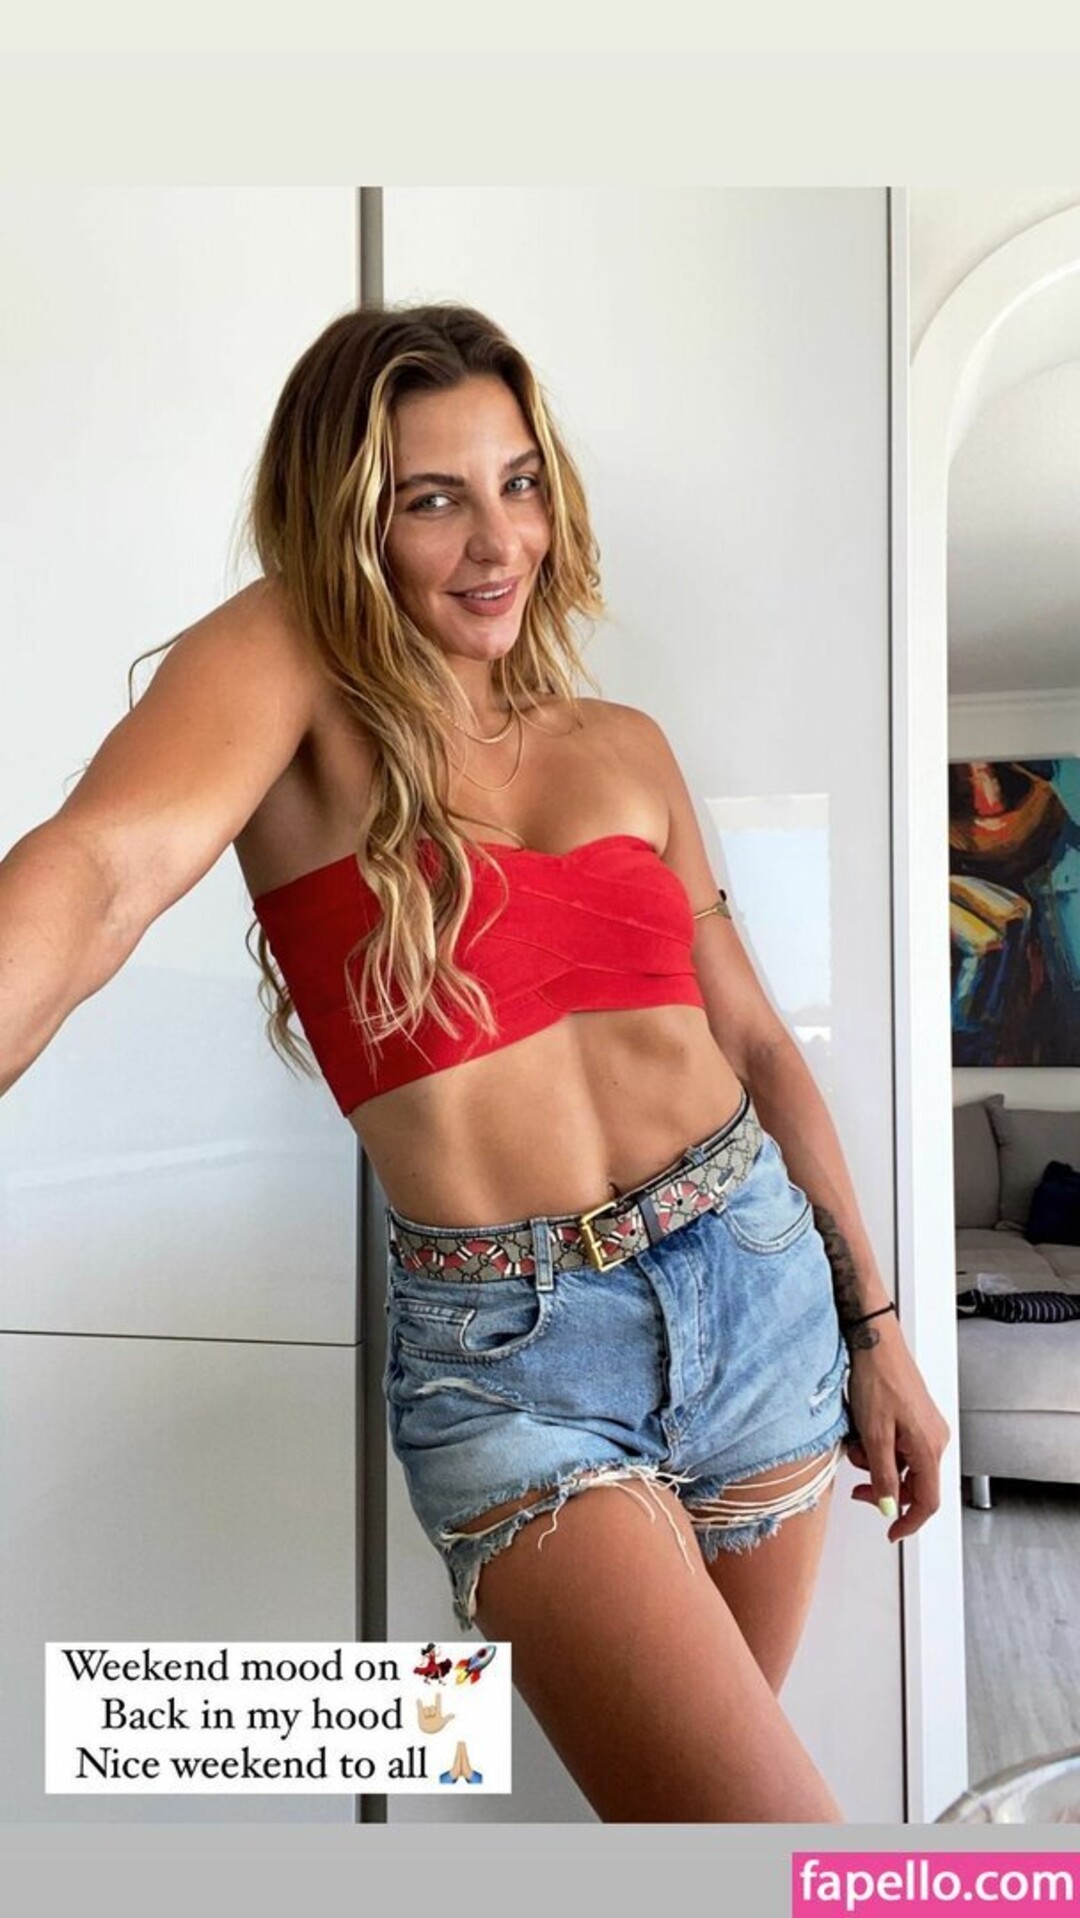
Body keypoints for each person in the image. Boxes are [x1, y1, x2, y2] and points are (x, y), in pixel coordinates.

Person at [0, 301, 949, 1823]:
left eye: (519, 483)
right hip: (519, 1356)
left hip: (760, 1288)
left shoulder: (626, 743)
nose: (497, 542)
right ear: (348, 524)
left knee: (693, 1849)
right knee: (779, 1847)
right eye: (432, 499)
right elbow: (100, 871)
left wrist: (879, 1327)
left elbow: (757, 1043)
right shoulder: (292, 672)